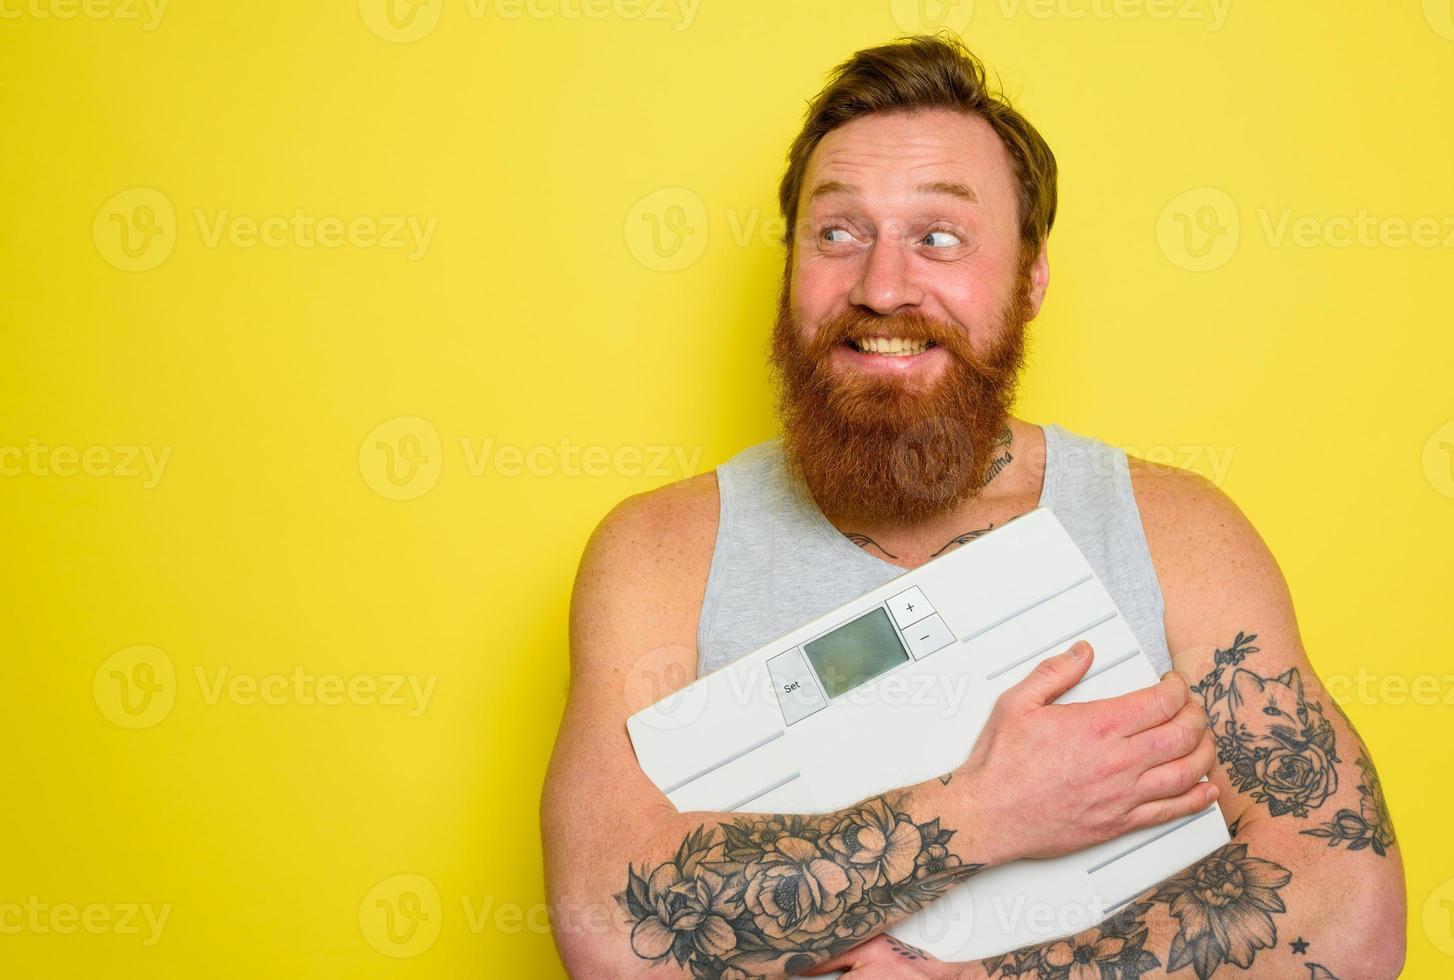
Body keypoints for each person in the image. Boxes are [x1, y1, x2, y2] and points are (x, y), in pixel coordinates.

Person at [540, 33, 1406, 979]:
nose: (880, 287)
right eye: (837, 233)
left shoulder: (1177, 534)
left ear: (1030, 279)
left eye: (938, 237)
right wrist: (984, 811)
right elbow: (608, 928)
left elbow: (1348, 908)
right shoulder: (659, 554)